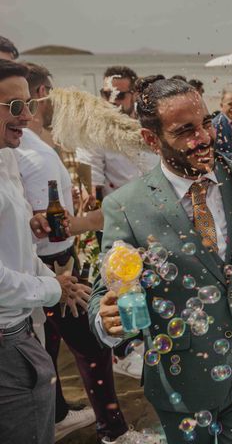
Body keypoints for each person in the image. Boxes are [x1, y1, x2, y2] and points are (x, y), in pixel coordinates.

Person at [88, 76, 232, 444]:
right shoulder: (126, 206)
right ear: (152, 140)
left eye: (206, 123)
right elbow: (107, 289)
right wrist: (106, 318)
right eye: (185, 131)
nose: (203, 138)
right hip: (182, 381)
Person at [16, 62, 127, 443]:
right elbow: (35, 220)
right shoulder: (28, 151)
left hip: (54, 260)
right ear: (40, 95)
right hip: (53, 264)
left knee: (47, 344)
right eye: (51, 92)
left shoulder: (32, 146)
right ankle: (113, 430)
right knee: (91, 346)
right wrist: (94, 220)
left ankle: (60, 413)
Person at [0, 59, 88, 444]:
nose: (27, 116)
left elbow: (13, 246)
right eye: (15, 106)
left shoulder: (6, 158)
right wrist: (53, 289)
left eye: (29, 105)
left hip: (20, 332)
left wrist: (52, 277)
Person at [76, 66, 159, 197]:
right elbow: (90, 182)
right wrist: (88, 195)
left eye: (119, 95)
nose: (112, 101)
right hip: (120, 210)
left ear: (135, 95)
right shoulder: (93, 133)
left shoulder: (153, 123)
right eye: (107, 94)